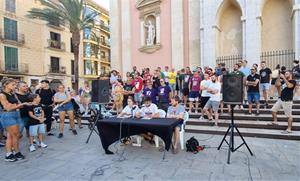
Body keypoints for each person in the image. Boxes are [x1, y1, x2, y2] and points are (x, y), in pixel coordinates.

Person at [0, 78, 27, 161]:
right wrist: (17, 105)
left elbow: (19, 104)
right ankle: (13, 153)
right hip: (8, 115)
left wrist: (15, 105)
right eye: (13, 85)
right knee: (15, 135)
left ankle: (13, 153)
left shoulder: (13, 93)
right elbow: (7, 108)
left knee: (12, 135)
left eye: (15, 85)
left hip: (16, 114)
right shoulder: (2, 95)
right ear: (6, 85)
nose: (15, 86)